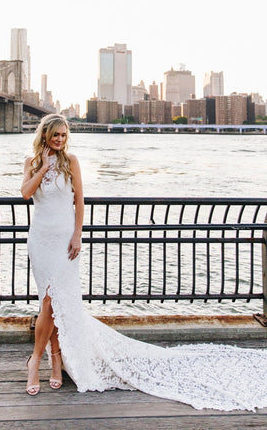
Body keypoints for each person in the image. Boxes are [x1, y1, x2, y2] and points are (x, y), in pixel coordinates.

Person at [21, 113, 267, 411]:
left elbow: (80, 200)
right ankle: (49, 359)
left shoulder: (72, 161)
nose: (60, 140)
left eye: (63, 135)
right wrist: (43, 167)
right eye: (55, 135)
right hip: (41, 240)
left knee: (54, 302)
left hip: (64, 241)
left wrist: (77, 235)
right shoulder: (32, 162)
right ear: (44, 134)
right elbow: (25, 193)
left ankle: (42, 360)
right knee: (50, 301)